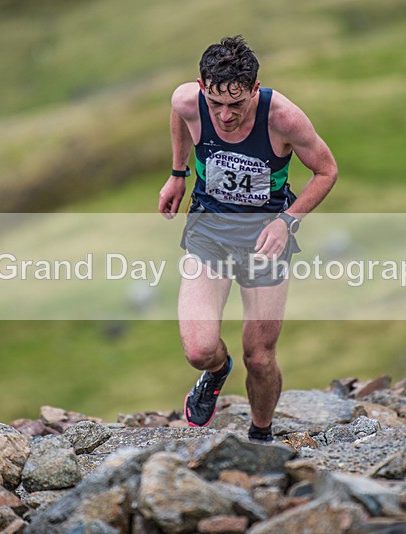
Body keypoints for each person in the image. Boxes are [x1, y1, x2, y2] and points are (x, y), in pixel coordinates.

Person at [158, 35, 337, 442]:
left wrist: (287, 221)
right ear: (203, 88)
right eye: (216, 104)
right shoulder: (188, 101)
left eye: (236, 105)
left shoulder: (284, 118)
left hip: (264, 243)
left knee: (259, 357)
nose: (224, 116)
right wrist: (178, 173)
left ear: (255, 90)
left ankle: (260, 437)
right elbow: (179, 115)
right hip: (209, 233)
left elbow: (327, 171)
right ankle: (218, 372)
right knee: (198, 351)